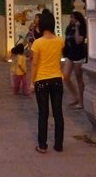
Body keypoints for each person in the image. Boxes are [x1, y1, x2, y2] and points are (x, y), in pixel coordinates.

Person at [30, 9, 64, 153]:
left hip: (41, 80)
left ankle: (42, 145)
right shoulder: (60, 41)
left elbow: (35, 64)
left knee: (43, 113)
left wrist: (31, 82)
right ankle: (59, 144)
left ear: (41, 25)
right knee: (58, 113)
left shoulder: (37, 43)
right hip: (57, 79)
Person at [63, 11, 87, 108]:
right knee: (65, 76)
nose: (71, 19)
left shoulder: (82, 28)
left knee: (78, 78)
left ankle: (81, 101)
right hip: (70, 55)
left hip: (78, 55)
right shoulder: (68, 28)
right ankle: (75, 96)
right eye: (70, 17)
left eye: (73, 17)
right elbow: (66, 40)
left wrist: (77, 28)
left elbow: (78, 41)